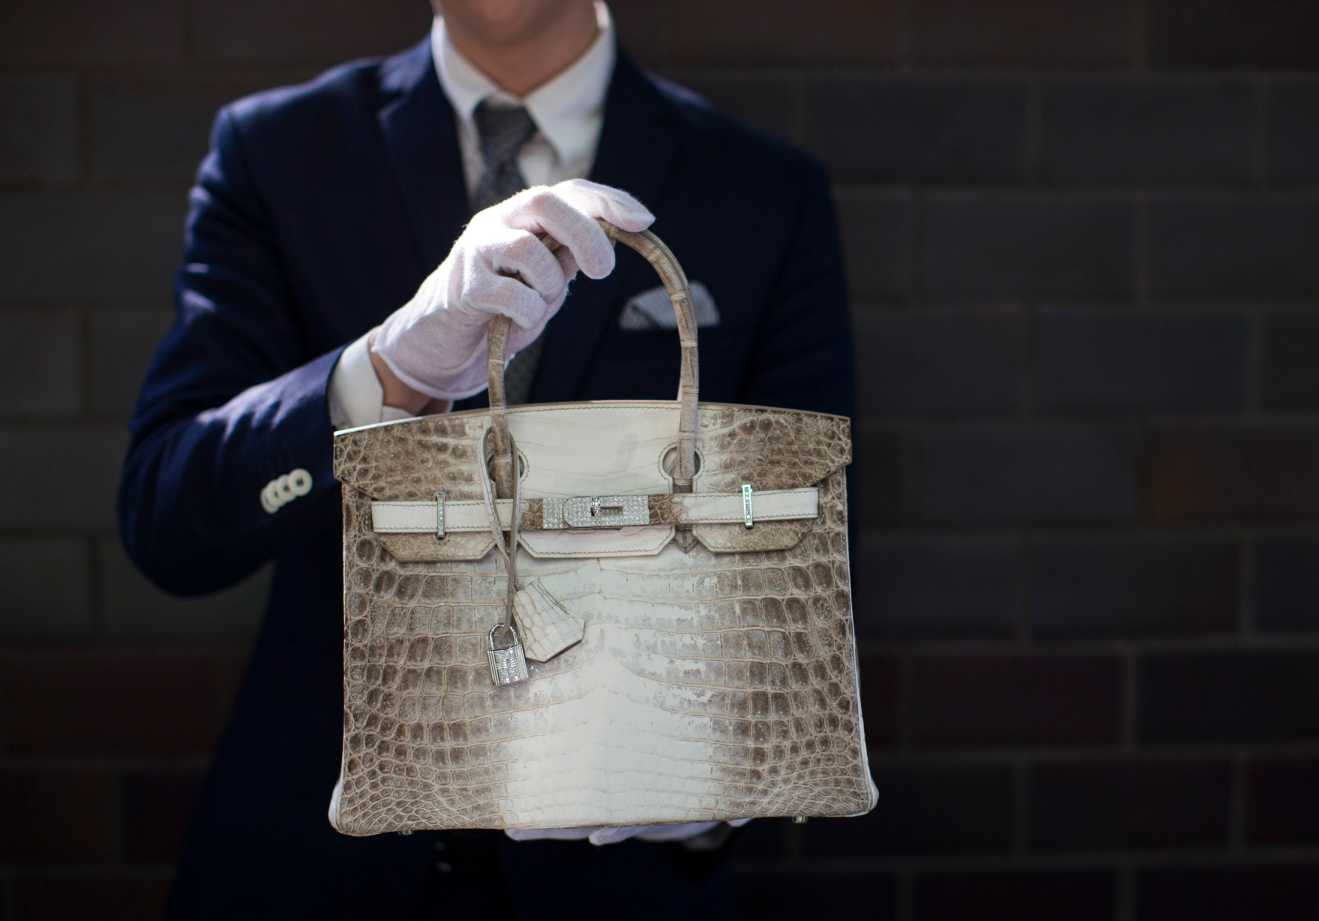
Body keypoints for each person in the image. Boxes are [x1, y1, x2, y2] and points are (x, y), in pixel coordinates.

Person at [115, 1, 855, 918]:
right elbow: (165, 514)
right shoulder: (279, 151)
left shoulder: (763, 189)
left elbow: (806, 540)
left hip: (617, 881)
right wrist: (386, 369)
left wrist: (719, 786)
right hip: (316, 857)